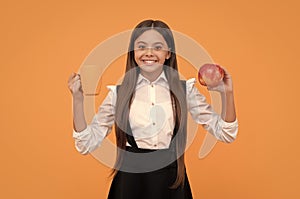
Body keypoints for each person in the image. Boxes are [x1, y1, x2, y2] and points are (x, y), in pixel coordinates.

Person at [67, 19, 238, 199]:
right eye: (141, 46)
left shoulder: (184, 90)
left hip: (170, 183)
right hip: (129, 184)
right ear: (133, 52)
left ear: (168, 53)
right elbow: (85, 144)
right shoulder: (119, 94)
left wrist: (228, 94)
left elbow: (226, 133)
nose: (149, 53)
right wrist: (78, 100)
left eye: (157, 47)